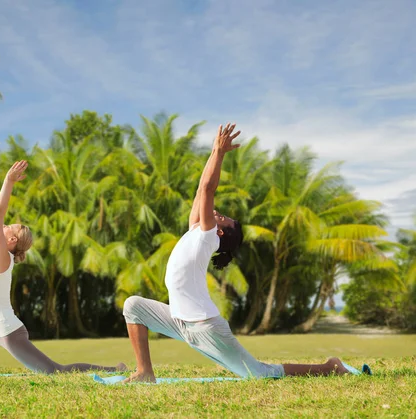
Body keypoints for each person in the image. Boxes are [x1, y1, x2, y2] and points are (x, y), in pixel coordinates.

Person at [122, 123, 349, 383]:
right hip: (179, 321)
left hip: (205, 327)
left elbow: (208, 189)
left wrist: (220, 154)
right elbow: (200, 190)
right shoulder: (195, 231)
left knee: (260, 373)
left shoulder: (207, 237)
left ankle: (329, 367)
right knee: (134, 306)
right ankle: (144, 372)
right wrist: (214, 150)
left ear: (220, 233)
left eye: (224, 219)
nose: (217, 213)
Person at [0, 160, 126, 375]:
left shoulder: (3, 257)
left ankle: (114, 369)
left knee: (57, 371)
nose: (6, 225)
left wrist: (8, 182)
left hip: (10, 333)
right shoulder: (0, 255)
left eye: (11, 227)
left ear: (10, 240)